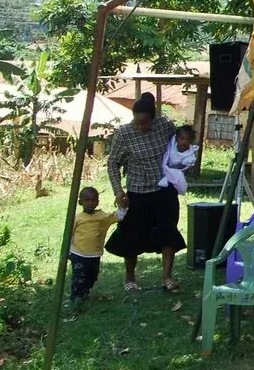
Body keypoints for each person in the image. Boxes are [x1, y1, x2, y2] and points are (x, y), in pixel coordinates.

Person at [104, 93, 186, 293]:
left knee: (167, 231)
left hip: (164, 190)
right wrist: (118, 191)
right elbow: (112, 163)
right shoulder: (124, 134)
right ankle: (130, 278)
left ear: (154, 117)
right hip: (138, 191)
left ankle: (167, 277)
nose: (141, 127)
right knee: (131, 235)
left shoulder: (166, 126)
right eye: (137, 122)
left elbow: (180, 144)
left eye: (145, 123)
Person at [68, 186, 123, 311]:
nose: (90, 203)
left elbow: (117, 216)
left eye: (93, 200)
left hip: (94, 255)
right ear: (80, 202)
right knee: (79, 277)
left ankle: (86, 291)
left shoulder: (102, 216)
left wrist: (123, 206)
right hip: (78, 254)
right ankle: (76, 298)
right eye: (87, 200)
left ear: (97, 202)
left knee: (92, 276)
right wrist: (68, 250)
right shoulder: (77, 218)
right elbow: (69, 234)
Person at [158, 124, 199, 194]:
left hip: (177, 169)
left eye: (188, 140)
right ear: (177, 138)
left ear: (191, 141)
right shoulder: (173, 144)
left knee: (178, 175)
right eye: (182, 139)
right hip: (165, 164)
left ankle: (180, 187)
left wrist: (182, 165)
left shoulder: (190, 153)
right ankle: (164, 180)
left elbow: (186, 164)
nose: (185, 142)